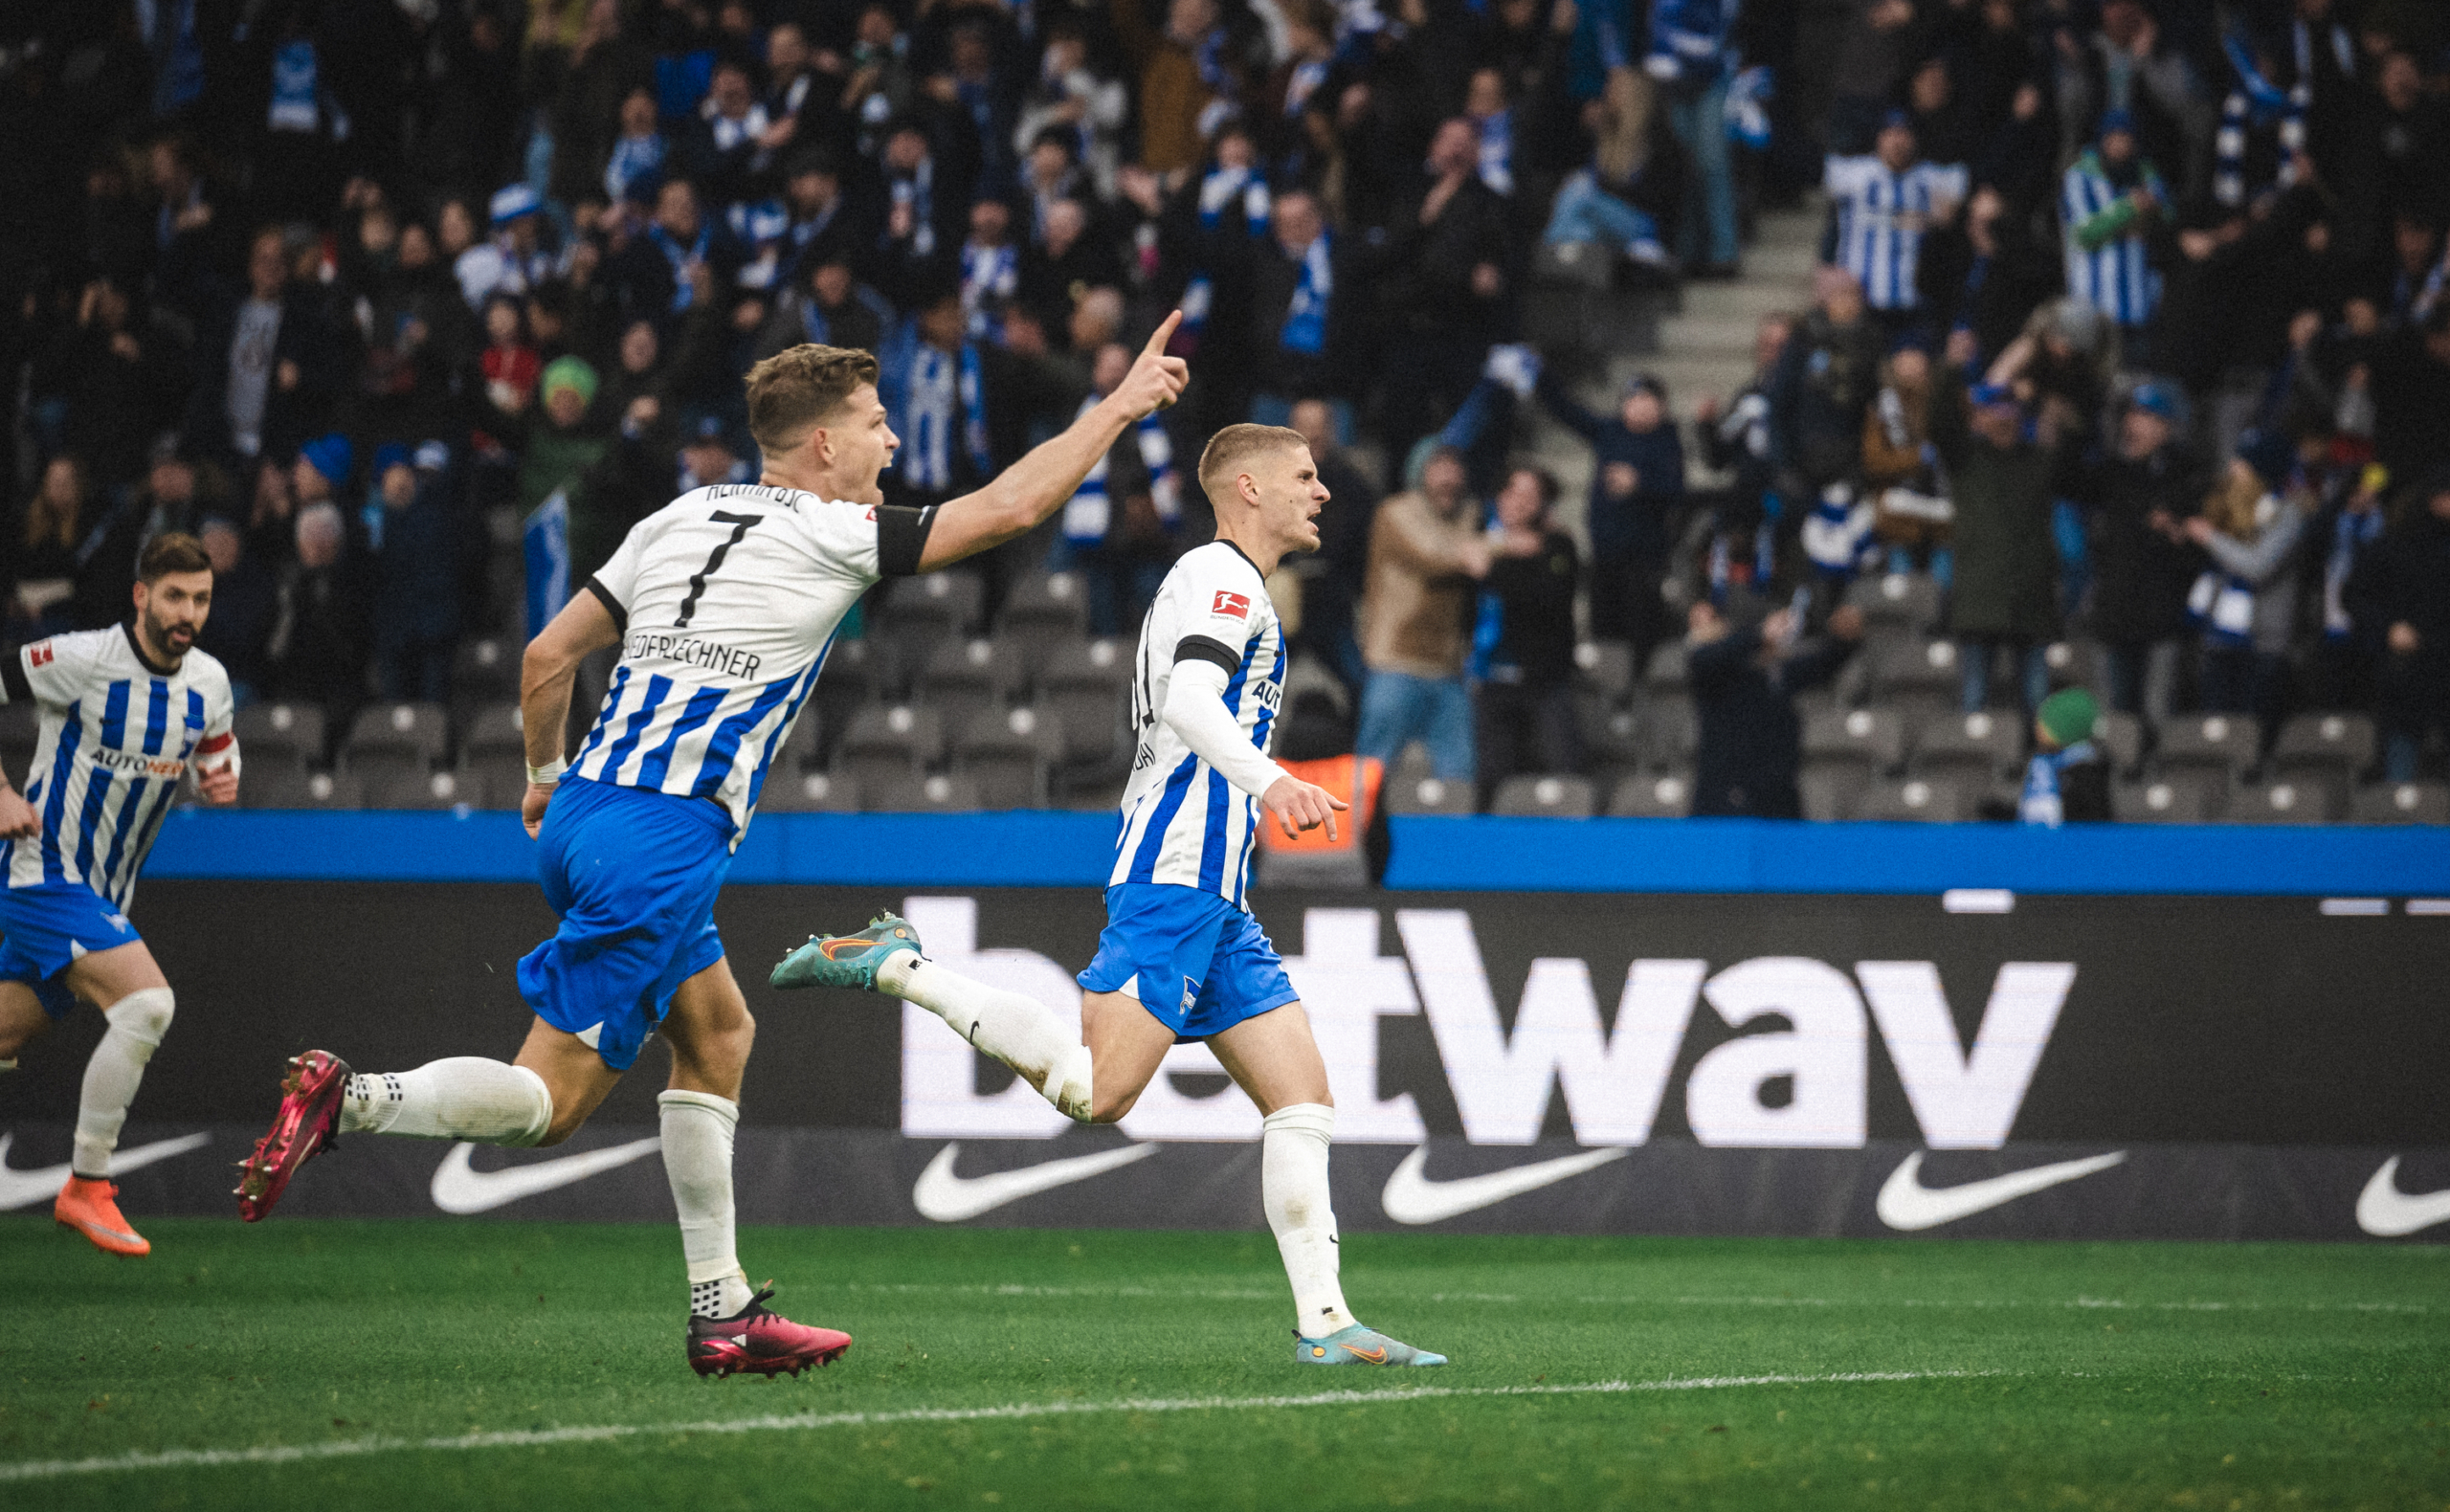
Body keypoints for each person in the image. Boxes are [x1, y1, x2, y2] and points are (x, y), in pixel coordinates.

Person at [234, 318, 1190, 1379]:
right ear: (822, 445)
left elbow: (549, 655)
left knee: (720, 1032)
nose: (890, 448)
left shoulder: (677, 517)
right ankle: (348, 1096)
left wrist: (544, 779)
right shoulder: (830, 533)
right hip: (664, 835)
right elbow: (1011, 507)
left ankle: (722, 1309)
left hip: (592, 806)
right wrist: (1120, 405)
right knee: (548, 1104)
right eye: (876, 427)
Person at [777, 422, 1446, 1370]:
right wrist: (1274, 781)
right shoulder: (1223, 580)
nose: (1322, 490)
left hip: (1216, 893)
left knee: (1302, 1098)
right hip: (1174, 877)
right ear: (1245, 490)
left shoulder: (1224, 581)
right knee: (1100, 1094)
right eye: (1303, 476)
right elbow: (1187, 701)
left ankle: (1327, 1323)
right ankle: (900, 966)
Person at [0, 533, 240, 1256]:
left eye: (200, 599)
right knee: (147, 1004)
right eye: (174, 596)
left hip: (102, 894)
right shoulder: (79, 660)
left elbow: (215, 756)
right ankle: (88, 1185)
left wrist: (220, 781)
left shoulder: (210, 683)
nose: (187, 612)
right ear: (141, 596)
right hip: (40, 874)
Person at [1353, 446, 1491, 783]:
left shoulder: (1470, 514)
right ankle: (1357, 834)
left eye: (1454, 468)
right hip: (1395, 662)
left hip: (1447, 668)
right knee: (1373, 769)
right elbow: (1430, 559)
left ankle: (1454, 835)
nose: (1448, 478)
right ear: (1420, 473)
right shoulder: (1396, 513)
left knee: (1458, 773)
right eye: (1438, 468)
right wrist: (1496, 546)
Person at [1686, 598, 1863, 817]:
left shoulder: (1775, 674)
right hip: (1725, 801)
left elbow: (1821, 663)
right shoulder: (1716, 675)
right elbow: (1709, 659)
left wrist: (1845, 640)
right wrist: (1759, 635)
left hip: (1777, 801)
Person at [1473, 465, 1582, 805]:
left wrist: (1494, 569)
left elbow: (1547, 598)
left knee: (1566, 770)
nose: (1518, 502)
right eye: (1511, 492)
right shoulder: (1480, 538)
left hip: (1544, 679)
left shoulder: (1559, 545)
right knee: (1492, 780)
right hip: (1489, 676)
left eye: (1529, 495)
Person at [2003, 686, 2110, 826]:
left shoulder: (2088, 771)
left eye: (2045, 724)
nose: (2037, 729)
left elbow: (2092, 821)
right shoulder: (2040, 763)